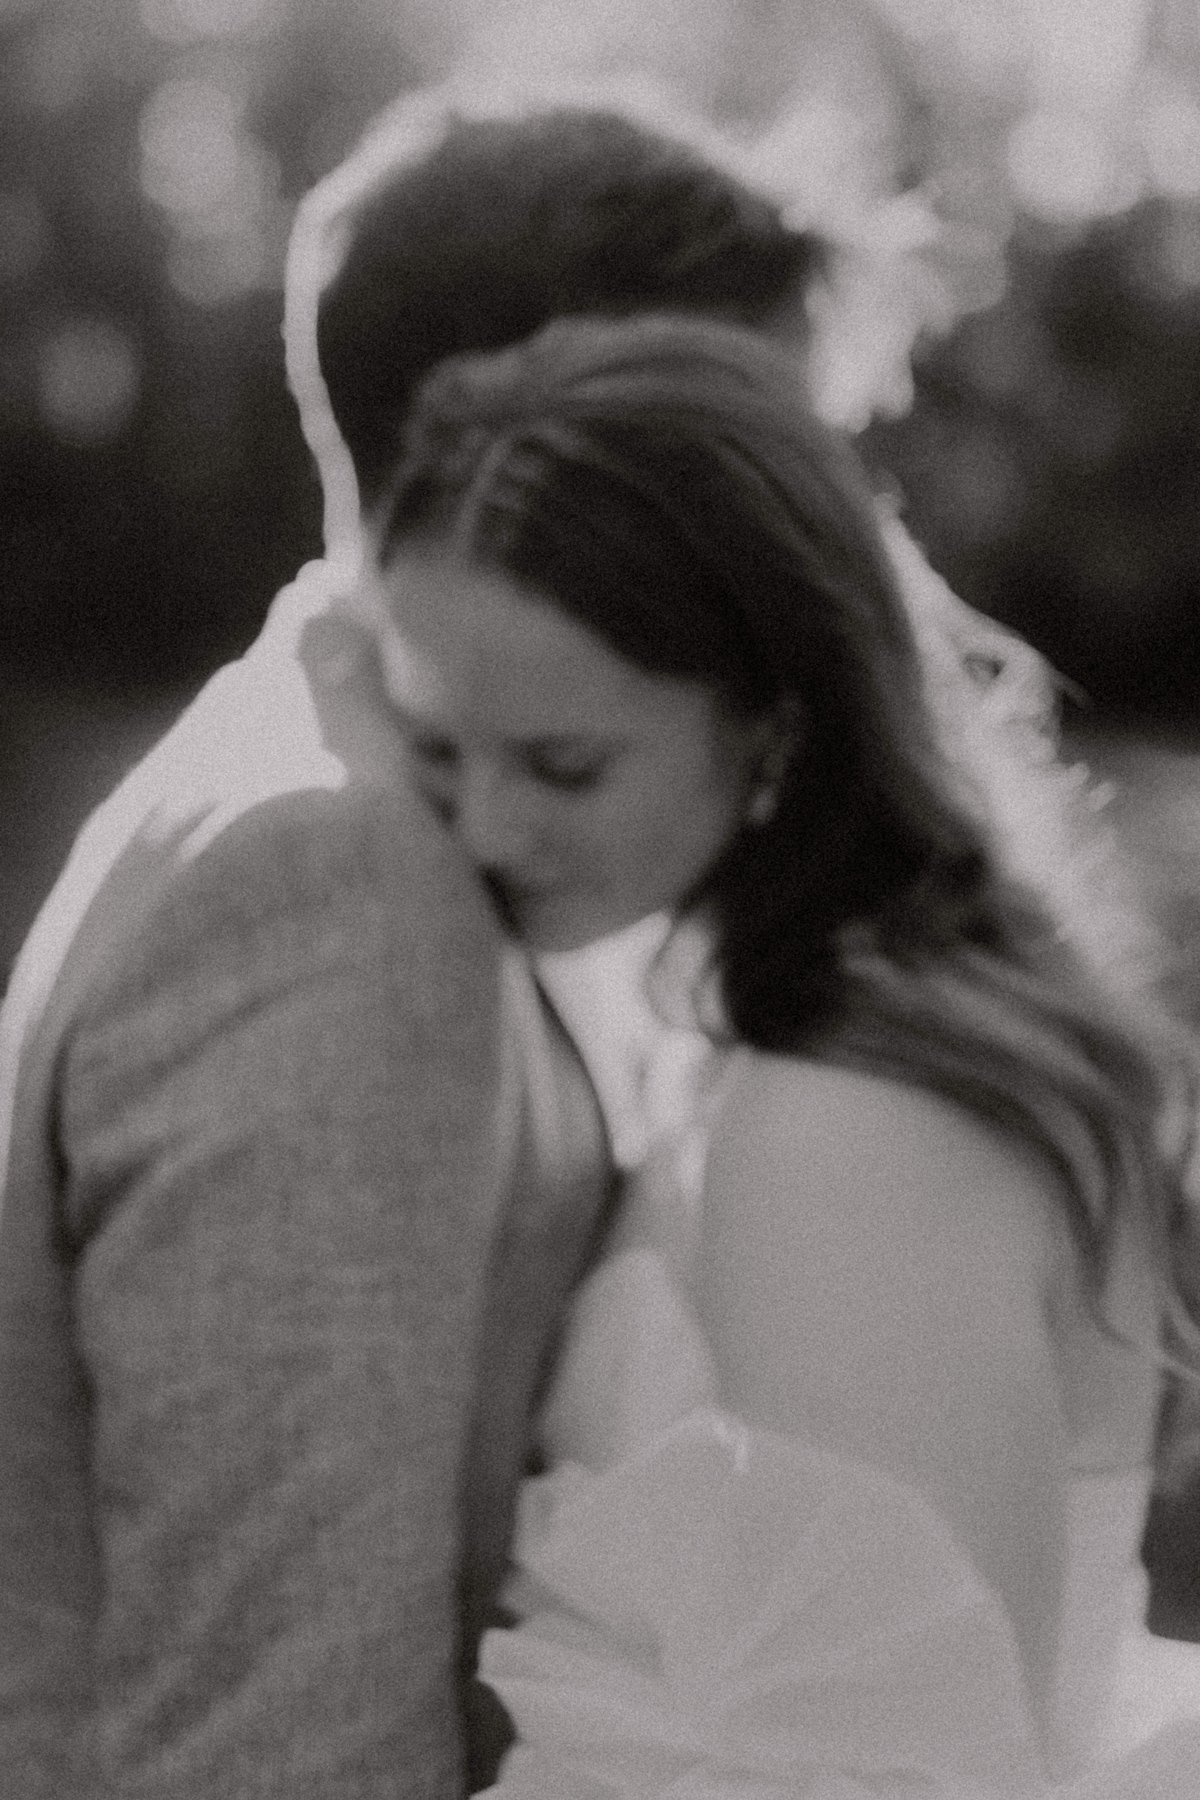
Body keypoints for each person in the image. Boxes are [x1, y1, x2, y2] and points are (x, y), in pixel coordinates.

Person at [0, 76, 1041, 1798]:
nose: (809, 525)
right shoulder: (338, 884)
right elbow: (280, 1744)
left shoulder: (393, 805)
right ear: (544, 429)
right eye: (735, 438)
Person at [343, 307, 1200, 1796]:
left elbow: (897, 1773)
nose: (481, 828)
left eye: (563, 765)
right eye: (438, 748)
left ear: (776, 733)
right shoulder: (780, 1029)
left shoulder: (853, 1125)